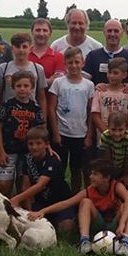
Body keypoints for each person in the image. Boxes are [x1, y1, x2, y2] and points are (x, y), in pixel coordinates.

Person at [29, 159, 128, 256]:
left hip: (115, 225)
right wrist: (43, 211)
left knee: (126, 206)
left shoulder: (116, 186)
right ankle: (84, 242)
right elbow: (67, 203)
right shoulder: (89, 191)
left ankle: (125, 243)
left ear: (106, 178)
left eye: (95, 174)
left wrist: (122, 223)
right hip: (98, 224)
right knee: (85, 202)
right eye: (91, 173)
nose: (90, 177)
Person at [49, 47, 95, 193]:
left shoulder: (88, 85)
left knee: (77, 169)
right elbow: (51, 108)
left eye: (77, 62)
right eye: (70, 62)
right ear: (65, 64)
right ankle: (59, 194)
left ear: (83, 63)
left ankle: (75, 197)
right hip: (62, 133)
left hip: (80, 134)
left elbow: (90, 111)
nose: (74, 66)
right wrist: (55, 133)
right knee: (59, 168)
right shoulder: (58, 83)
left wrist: (89, 135)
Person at [11, 127, 76, 232]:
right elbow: (25, 186)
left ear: (46, 144)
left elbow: (40, 185)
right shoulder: (27, 159)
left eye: (38, 143)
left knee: (67, 227)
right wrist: (29, 212)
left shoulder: (52, 160)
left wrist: (16, 199)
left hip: (60, 202)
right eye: (30, 144)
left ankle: (58, 220)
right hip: (41, 202)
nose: (34, 147)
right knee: (20, 220)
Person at [0, 70, 46, 197]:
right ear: (13, 87)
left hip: (27, 152)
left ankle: (19, 211)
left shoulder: (36, 108)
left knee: (23, 185)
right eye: (18, 86)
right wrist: (0, 151)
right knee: (4, 184)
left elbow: (42, 129)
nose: (22, 89)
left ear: (32, 87)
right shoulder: (7, 105)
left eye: (26, 86)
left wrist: (46, 145)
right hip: (8, 150)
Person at [0, 32, 48, 115]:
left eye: (24, 47)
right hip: (9, 115)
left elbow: (41, 98)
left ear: (30, 48)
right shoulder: (3, 68)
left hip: (30, 114)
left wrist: (43, 121)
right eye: (18, 47)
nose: (21, 50)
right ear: (12, 48)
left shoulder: (38, 69)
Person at [83, 19, 128, 86]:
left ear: (121, 33)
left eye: (116, 31)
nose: (112, 34)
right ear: (104, 32)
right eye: (109, 31)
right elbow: (85, 84)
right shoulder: (92, 56)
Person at [91, 57, 128, 136]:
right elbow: (95, 115)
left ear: (124, 75)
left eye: (115, 73)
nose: (111, 76)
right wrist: (107, 134)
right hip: (104, 138)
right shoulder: (100, 91)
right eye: (109, 72)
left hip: (123, 137)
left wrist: (123, 133)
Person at [99, 111, 128, 186]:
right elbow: (107, 157)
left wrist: (126, 175)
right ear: (108, 126)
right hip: (113, 162)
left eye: (120, 130)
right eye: (113, 129)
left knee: (127, 181)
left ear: (126, 128)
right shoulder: (105, 136)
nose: (117, 134)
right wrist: (110, 173)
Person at [27, 18, 66, 85]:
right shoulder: (24, 54)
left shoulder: (59, 57)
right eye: (38, 30)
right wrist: (49, 80)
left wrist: (30, 82)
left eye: (45, 30)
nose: (41, 34)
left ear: (50, 33)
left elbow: (58, 82)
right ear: (32, 32)